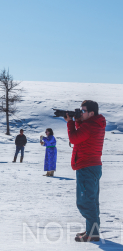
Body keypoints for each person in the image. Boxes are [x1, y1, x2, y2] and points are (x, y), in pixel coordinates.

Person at [65, 100, 106, 242]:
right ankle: (91, 230)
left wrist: (70, 123)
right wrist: (77, 121)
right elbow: (82, 136)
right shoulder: (95, 124)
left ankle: (92, 233)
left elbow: (74, 138)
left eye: (83, 111)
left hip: (86, 167)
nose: (81, 113)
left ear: (91, 113)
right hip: (93, 166)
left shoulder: (89, 126)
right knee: (92, 201)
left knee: (85, 202)